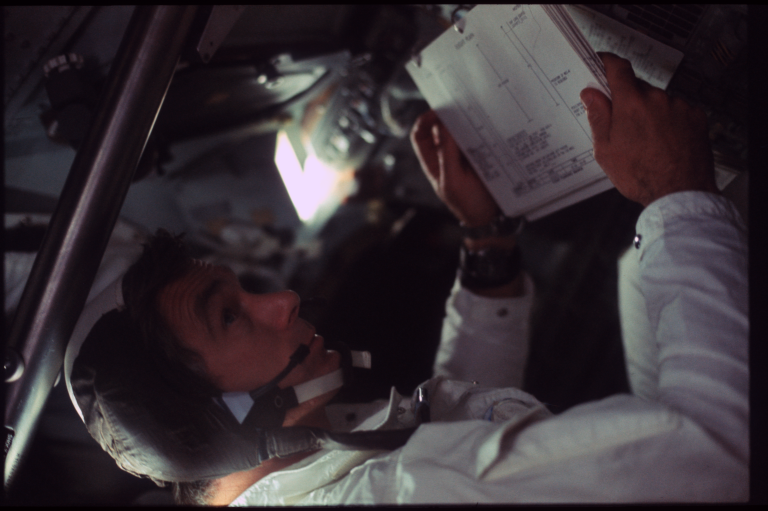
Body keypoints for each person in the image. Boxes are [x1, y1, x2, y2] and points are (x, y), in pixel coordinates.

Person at [67, 52, 748, 504]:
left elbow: (449, 414)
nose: (284, 302)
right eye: (230, 316)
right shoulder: (409, 493)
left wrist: (484, 241)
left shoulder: (279, 474)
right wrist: (675, 191)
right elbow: (718, 454)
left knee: (639, 270)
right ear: (214, 420)